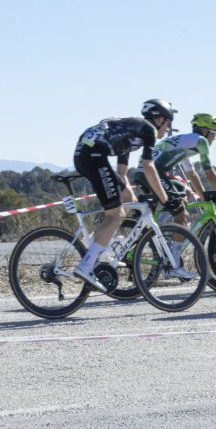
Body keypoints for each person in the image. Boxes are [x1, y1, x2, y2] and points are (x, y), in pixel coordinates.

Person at [72, 99, 183, 290]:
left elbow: (121, 173)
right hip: (94, 155)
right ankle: (87, 265)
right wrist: (166, 200)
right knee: (116, 215)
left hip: (87, 153)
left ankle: (103, 245)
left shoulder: (130, 131)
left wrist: (135, 203)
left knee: (125, 206)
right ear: (159, 119)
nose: (168, 129)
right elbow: (149, 167)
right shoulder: (148, 130)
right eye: (168, 123)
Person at [134, 112, 216, 277]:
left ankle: (160, 233)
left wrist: (202, 196)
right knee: (182, 215)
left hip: (148, 172)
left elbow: (192, 174)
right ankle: (173, 265)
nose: (215, 138)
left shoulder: (184, 142)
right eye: (214, 133)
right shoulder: (200, 142)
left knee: (185, 191)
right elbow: (209, 172)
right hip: (153, 173)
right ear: (204, 130)